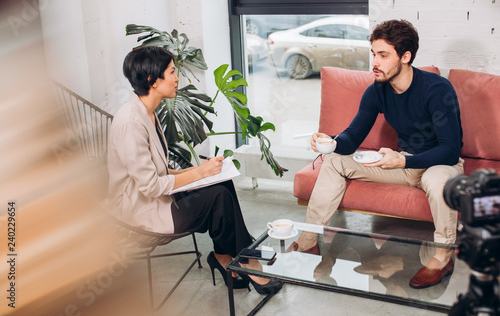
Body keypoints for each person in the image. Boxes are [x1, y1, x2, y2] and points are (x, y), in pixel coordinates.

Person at [291, 19, 463, 289]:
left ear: (405, 57)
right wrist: (332, 142)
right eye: (373, 54)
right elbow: (353, 137)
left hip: (437, 163)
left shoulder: (436, 89)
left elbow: (451, 150)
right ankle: (308, 241)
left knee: (441, 181)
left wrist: (404, 159)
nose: (375, 62)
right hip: (402, 163)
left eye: (383, 55)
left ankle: (442, 256)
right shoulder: (377, 90)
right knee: (335, 160)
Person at [106, 45, 282, 295]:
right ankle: (246, 261)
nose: (177, 78)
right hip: (142, 211)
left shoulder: (147, 112)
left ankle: (226, 257)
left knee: (221, 183)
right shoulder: (131, 123)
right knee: (217, 197)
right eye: (171, 72)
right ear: (152, 80)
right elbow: (150, 186)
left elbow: (159, 170)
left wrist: (204, 171)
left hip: (159, 197)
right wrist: (199, 173)